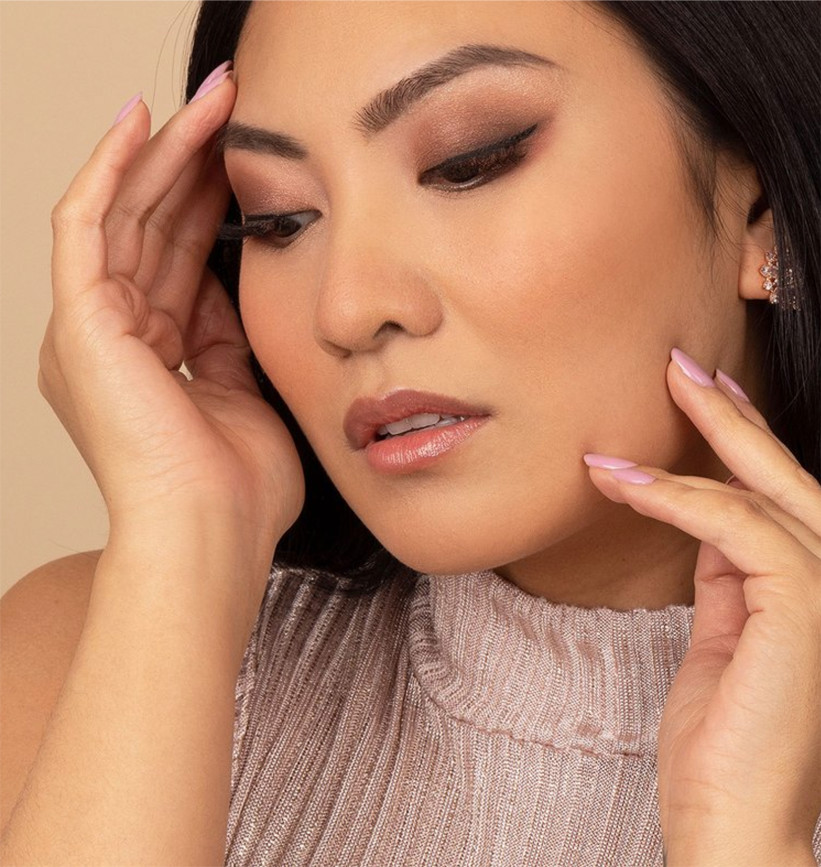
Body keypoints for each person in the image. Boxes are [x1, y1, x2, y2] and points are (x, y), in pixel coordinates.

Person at [1, 0, 819, 863]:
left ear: (760, 205)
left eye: (467, 163)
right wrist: (187, 533)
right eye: (278, 219)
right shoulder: (85, 661)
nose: (346, 308)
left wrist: (744, 837)